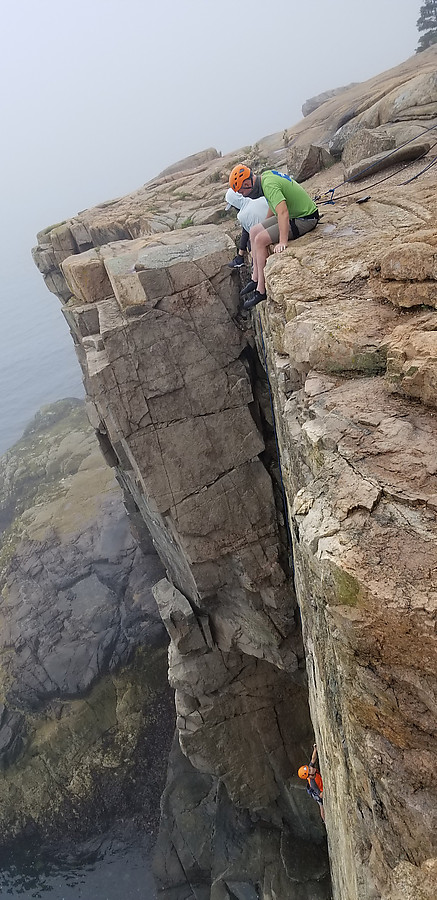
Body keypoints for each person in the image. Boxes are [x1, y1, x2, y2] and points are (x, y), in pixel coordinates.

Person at [228, 164, 319, 309]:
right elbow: (274, 203)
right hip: (294, 214)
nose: (243, 195)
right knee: (254, 231)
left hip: (305, 218)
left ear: (247, 183)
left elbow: (283, 212)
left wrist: (282, 241)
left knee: (260, 240)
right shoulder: (265, 178)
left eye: (242, 191)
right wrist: (264, 225)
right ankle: (255, 278)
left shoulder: (268, 185)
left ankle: (261, 290)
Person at [224, 188, 269, 268]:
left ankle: (253, 266)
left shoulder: (242, 215)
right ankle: (241, 259)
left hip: (265, 235)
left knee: (250, 238)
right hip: (273, 224)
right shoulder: (257, 198)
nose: (234, 209)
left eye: (233, 206)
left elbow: (251, 235)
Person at [298, 743, 325, 822]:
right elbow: (320, 795)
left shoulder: (310, 770)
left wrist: (315, 749)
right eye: (309, 770)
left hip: (320, 786)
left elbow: (313, 759)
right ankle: (324, 820)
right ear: (309, 775)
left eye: (309, 768)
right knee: (321, 806)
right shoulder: (313, 783)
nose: (311, 768)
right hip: (317, 793)